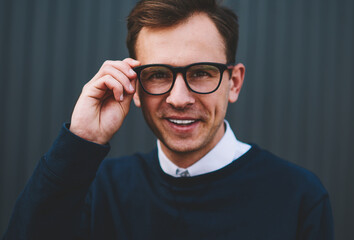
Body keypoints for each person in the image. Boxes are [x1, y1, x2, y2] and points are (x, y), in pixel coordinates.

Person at [3, 0, 334, 239]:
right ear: (134, 86)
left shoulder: (299, 196)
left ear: (233, 83)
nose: (179, 98)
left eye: (202, 73)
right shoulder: (98, 189)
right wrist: (81, 141)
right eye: (159, 74)